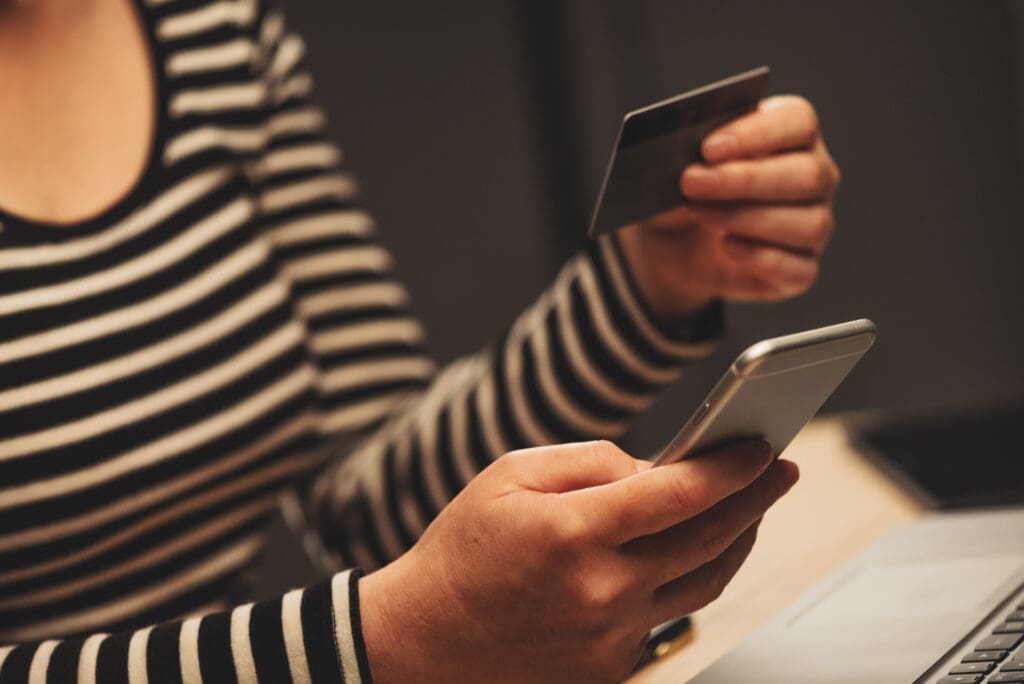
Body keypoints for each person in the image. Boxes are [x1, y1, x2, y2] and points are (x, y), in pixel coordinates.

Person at [0, 0, 839, 681]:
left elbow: (375, 500)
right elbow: (399, 620)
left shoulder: (207, 30)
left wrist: (645, 286)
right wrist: (377, 645)